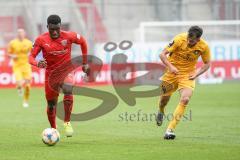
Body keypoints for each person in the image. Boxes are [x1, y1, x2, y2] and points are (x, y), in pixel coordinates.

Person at [29, 14, 89, 137]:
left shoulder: (69, 36)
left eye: (57, 29)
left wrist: (85, 63)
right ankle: (53, 129)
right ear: (47, 27)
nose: (55, 32)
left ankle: (67, 122)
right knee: (51, 105)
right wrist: (37, 63)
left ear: (60, 26)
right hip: (51, 75)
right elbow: (30, 57)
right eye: (52, 29)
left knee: (68, 89)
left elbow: (83, 41)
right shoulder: (41, 40)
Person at [156, 26, 211, 140]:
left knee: (185, 99)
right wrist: (170, 67)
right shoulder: (179, 39)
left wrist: (196, 74)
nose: (189, 42)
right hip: (171, 73)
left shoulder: (204, 46)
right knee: (163, 101)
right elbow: (162, 54)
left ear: (198, 39)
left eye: (192, 41)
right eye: (188, 39)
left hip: (187, 75)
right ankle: (161, 111)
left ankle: (170, 130)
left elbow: (207, 64)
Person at [8, 29, 33, 108]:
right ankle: (19, 88)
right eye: (19, 33)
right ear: (17, 34)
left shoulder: (28, 43)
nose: (20, 34)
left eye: (22, 33)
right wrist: (12, 56)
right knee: (19, 83)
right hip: (17, 65)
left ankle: (25, 101)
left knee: (28, 85)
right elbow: (8, 53)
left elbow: (33, 52)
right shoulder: (12, 43)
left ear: (24, 34)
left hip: (26, 65)